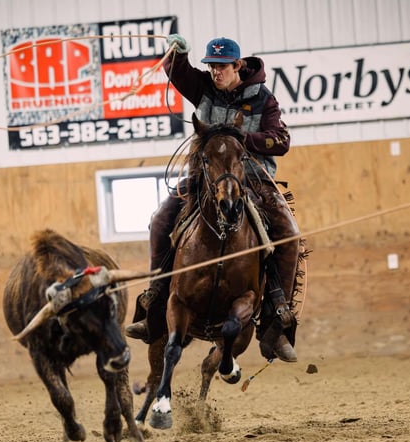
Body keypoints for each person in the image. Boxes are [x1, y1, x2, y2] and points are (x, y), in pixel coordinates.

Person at [125, 34, 301, 362]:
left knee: (288, 233)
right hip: (205, 179)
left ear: (238, 66)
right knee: (161, 220)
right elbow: (178, 73)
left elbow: (282, 141)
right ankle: (155, 301)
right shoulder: (203, 87)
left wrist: (242, 139)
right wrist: (179, 53)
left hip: (253, 180)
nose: (216, 72)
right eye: (211, 66)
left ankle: (277, 318)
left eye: (221, 67)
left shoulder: (264, 99)